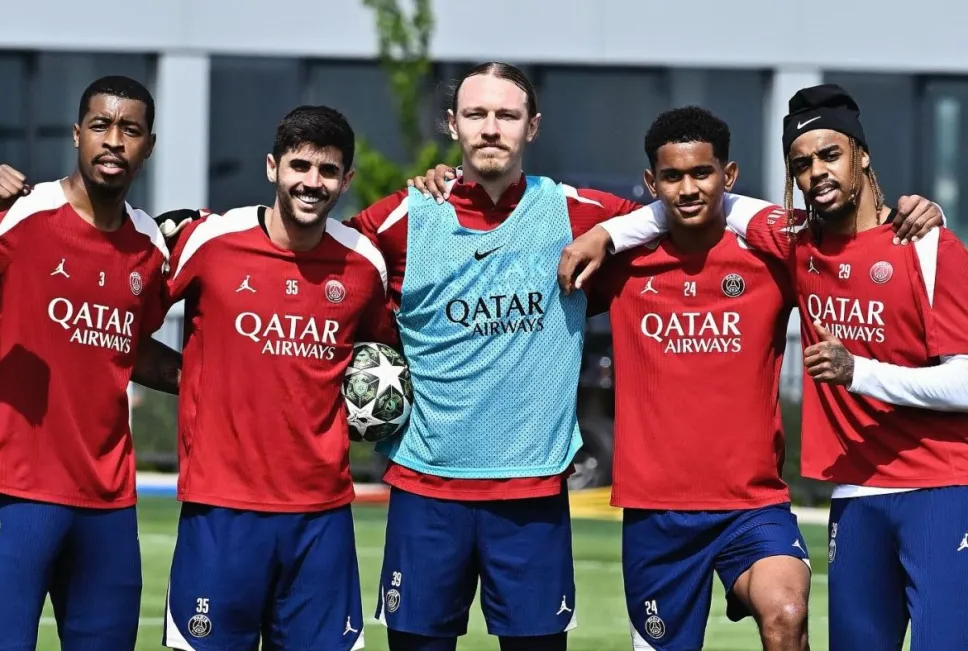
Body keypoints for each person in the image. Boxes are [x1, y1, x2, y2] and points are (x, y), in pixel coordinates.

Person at [564, 84, 966, 650]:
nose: (817, 172)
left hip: (926, 488)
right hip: (844, 495)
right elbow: (711, 204)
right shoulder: (795, 247)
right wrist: (609, 230)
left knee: (792, 611)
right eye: (801, 163)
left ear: (862, 153)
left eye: (831, 155)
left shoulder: (914, 245)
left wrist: (861, 372)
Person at [345, 62, 651, 651]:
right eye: (476, 114)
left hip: (531, 495)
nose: (491, 128)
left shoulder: (579, 214)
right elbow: (313, 252)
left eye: (507, 115)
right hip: (427, 490)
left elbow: (679, 206)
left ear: (531, 127)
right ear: (451, 125)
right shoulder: (399, 219)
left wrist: (609, 236)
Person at [160, 105, 397, 651]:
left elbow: (381, 356)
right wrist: (194, 375)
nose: (312, 183)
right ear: (272, 167)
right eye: (300, 166)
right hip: (221, 510)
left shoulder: (364, 265)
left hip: (322, 516)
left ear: (347, 180)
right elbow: (129, 320)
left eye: (328, 171)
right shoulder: (211, 242)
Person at [580, 106, 810, 650]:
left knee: (787, 611)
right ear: (650, 182)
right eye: (672, 176)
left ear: (727, 177)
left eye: (702, 173)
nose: (688, 188)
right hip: (656, 513)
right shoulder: (620, 264)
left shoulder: (771, 257)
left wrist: (922, 212)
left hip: (752, 505)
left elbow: (843, 231)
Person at [0, 76, 179, 651]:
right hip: (13, 490)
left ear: (149, 145)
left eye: (130, 130)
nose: (114, 141)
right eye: (101, 126)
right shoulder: (24, 215)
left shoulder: (149, 248)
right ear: (76, 135)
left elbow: (127, 347)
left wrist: (209, 381)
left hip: (107, 504)